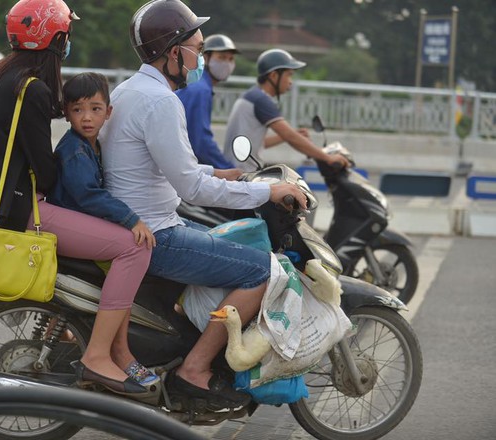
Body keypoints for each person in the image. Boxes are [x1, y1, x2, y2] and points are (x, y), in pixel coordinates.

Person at [99, 0, 308, 411]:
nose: (201, 58)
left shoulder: (130, 89)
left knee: (228, 249)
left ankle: (183, 347)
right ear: (172, 51)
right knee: (259, 270)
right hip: (157, 234)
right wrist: (267, 192)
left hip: (145, 223)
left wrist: (222, 172)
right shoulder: (161, 101)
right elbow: (193, 189)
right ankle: (194, 369)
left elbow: (171, 166)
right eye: (196, 47)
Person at [0, 0, 150, 396]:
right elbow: (47, 169)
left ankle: (97, 340)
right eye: (66, 35)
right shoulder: (31, 89)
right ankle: (100, 355)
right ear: (56, 39)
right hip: (19, 210)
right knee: (131, 247)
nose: (67, 42)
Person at [46, 72, 159, 388]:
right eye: (78, 109)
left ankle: (103, 345)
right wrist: (131, 219)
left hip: (81, 225)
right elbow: (87, 195)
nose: (86, 117)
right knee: (133, 252)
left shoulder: (90, 146)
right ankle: (118, 351)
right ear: (66, 112)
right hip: (71, 227)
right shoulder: (74, 149)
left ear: (109, 112)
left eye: (95, 109)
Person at [223, 48, 350, 171]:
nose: (291, 82)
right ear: (273, 75)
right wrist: (328, 158)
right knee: (294, 191)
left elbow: (259, 143)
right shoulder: (261, 100)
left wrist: (286, 137)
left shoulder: (252, 95)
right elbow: (290, 136)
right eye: (289, 75)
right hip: (243, 174)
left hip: (237, 170)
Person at [175, 34, 238, 169]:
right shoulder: (200, 89)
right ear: (206, 58)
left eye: (230, 59)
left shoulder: (198, 84)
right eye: (221, 57)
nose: (226, 63)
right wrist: (228, 168)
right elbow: (201, 142)